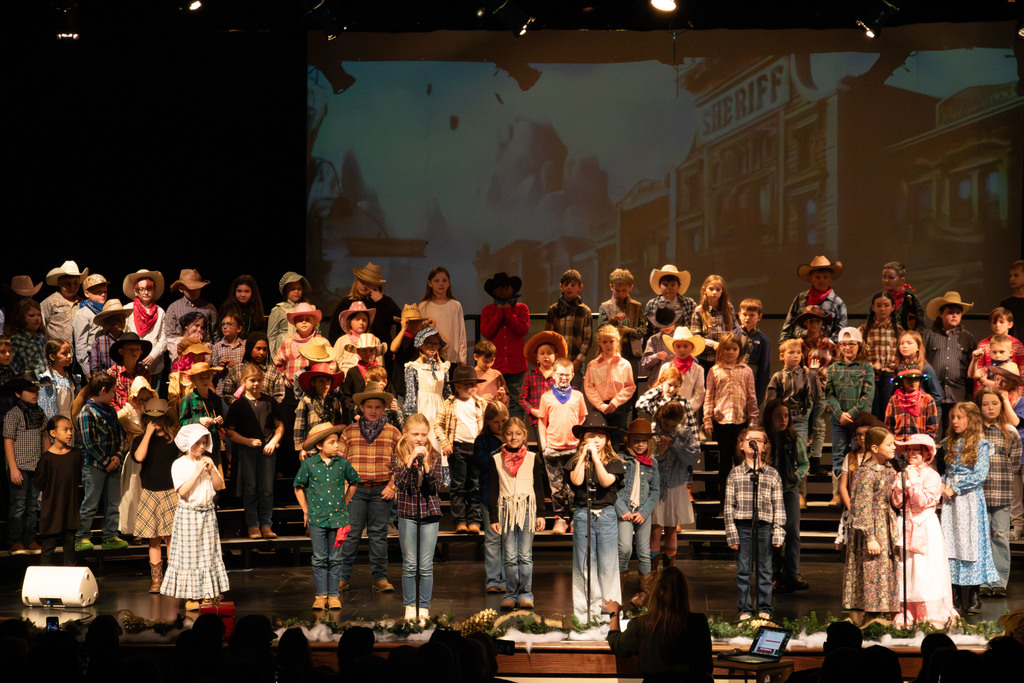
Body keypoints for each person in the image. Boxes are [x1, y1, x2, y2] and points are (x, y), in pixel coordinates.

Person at [337, 381, 401, 594]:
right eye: (369, 407)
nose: (373, 411)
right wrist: (347, 486)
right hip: (356, 490)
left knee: (378, 534)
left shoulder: (393, 432)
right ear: (361, 408)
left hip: (381, 491)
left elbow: (401, 462)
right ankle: (342, 577)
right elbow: (340, 462)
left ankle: (380, 578)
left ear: (383, 409)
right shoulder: (349, 432)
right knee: (351, 534)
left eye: (378, 407)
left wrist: (392, 486)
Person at [890, 434, 958, 628]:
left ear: (926, 453)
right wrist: (904, 483)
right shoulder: (901, 473)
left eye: (916, 450)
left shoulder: (932, 476)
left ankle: (928, 614)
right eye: (909, 450)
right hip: (905, 522)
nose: (911, 453)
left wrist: (913, 482)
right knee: (907, 567)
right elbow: (897, 502)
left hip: (925, 524)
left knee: (925, 569)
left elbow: (921, 502)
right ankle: (906, 611)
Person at [160, 423, 229, 612]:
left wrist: (212, 470)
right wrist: (197, 471)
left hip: (207, 514)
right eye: (198, 443)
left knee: (208, 554)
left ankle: (207, 592)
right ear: (188, 443)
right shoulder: (179, 464)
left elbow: (217, 486)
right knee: (190, 556)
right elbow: (182, 491)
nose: (201, 446)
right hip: (189, 515)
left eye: (204, 442)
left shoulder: (208, 461)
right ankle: (191, 595)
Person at [604, 566, 713, 683]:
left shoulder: (642, 625)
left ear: (655, 592)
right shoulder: (698, 623)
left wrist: (614, 615)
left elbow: (619, 647)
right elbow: (706, 665)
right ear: (684, 591)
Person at [293, 422, 360, 611]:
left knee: (336, 558)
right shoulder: (309, 464)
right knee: (320, 558)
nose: (337, 445)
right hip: (317, 519)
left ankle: (333, 595)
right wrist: (305, 510)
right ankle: (321, 595)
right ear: (320, 446)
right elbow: (298, 486)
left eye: (337, 442)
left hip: (338, 518)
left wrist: (346, 502)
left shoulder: (343, 464)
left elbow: (354, 482)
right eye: (332, 442)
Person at [567, 414, 625, 622]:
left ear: (607, 440)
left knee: (608, 566)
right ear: (583, 439)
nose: (596, 440)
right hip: (584, 515)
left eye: (600, 436)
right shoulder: (576, 461)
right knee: (583, 566)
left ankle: (608, 614)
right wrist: (583, 456)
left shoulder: (615, 462)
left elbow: (606, 481)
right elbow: (577, 480)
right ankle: (584, 615)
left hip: (606, 516)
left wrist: (597, 460)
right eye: (591, 436)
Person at [942, 401, 998, 614]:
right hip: (950, 502)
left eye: (960, 417)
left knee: (970, 543)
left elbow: (979, 474)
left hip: (969, 499)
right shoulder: (947, 443)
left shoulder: (981, 444)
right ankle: (954, 594)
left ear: (971, 419)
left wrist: (955, 488)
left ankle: (973, 594)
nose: (955, 421)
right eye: (953, 418)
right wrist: (940, 483)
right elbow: (946, 471)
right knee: (951, 543)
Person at [725, 427, 785, 620]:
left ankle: (765, 608)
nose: (754, 443)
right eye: (750, 439)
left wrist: (778, 532)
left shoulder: (772, 474)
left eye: (759, 440)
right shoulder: (735, 474)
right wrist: (731, 534)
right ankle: (744, 609)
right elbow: (728, 507)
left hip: (764, 527)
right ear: (742, 445)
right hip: (742, 526)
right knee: (743, 570)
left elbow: (779, 506)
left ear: (765, 447)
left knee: (765, 570)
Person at [842, 426, 899, 625]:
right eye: (889, 444)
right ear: (875, 448)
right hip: (873, 529)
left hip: (887, 525)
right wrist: (870, 537)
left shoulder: (891, 469)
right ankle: (870, 616)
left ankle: (883, 614)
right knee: (872, 568)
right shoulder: (865, 473)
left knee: (884, 569)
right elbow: (861, 506)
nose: (894, 447)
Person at [394, 413, 448, 620]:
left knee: (425, 565)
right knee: (410, 564)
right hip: (408, 513)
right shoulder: (398, 454)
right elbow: (399, 484)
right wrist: (409, 461)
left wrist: (425, 464)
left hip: (429, 513)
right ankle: (410, 607)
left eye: (423, 435)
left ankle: (423, 607)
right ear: (405, 434)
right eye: (415, 434)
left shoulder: (434, 454)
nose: (419, 439)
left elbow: (435, 486)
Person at [226, 363, 284, 540]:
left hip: (267, 451)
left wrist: (273, 442)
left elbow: (280, 425)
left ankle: (266, 524)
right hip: (247, 451)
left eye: (259, 380)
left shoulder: (269, 401)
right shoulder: (238, 405)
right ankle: (253, 525)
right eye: (252, 380)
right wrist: (248, 441)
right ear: (244, 381)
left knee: (267, 489)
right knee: (251, 487)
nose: (256, 384)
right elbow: (230, 432)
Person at [74, 372, 129, 552]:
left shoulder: (111, 411)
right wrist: (107, 461)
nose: (115, 395)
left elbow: (121, 436)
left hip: (113, 464)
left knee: (113, 503)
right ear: (103, 390)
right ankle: (82, 537)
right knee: (90, 503)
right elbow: (89, 443)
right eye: (113, 391)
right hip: (95, 466)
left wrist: (119, 456)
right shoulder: (86, 412)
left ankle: (110, 535)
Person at [130, 398, 180, 592]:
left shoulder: (174, 440)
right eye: (152, 419)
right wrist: (148, 434)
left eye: (159, 418)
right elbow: (139, 457)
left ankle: (173, 577)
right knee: (153, 538)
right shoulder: (140, 440)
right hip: (149, 492)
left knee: (170, 538)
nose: (156, 422)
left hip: (171, 492)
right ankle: (157, 580)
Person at [704, 332, 758, 502]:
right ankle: (725, 499)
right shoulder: (714, 370)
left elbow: (752, 396)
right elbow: (709, 396)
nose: (730, 352)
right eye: (726, 349)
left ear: (739, 351)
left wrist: (753, 420)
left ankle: (742, 498)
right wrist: (707, 420)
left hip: (741, 421)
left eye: (734, 349)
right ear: (721, 350)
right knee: (724, 462)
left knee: (741, 461)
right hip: (721, 422)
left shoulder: (746, 371)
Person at [762, 399, 809, 593]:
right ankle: (773, 573)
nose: (783, 419)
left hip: (788, 489)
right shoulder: (764, 439)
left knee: (792, 530)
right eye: (778, 416)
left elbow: (804, 463)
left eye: (786, 416)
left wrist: (794, 478)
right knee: (772, 532)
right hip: (767, 491)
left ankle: (792, 573)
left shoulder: (793, 437)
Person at [537, 357, 587, 535]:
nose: (564, 378)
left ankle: (575, 518)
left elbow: (582, 419)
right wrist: (544, 444)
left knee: (573, 487)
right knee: (556, 487)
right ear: (553, 375)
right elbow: (542, 421)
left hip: (573, 448)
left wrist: (581, 443)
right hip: (553, 448)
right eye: (560, 374)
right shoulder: (546, 397)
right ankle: (560, 519)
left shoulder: (578, 396)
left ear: (572, 375)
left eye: (567, 375)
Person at [434, 365, 486, 533]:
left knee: (475, 485)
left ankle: (474, 521)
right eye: (466, 385)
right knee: (458, 486)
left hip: (476, 449)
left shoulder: (481, 403)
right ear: (456, 386)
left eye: (473, 384)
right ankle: (460, 521)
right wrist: (445, 443)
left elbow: (490, 423)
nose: (471, 388)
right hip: (458, 449)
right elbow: (438, 425)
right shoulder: (449, 404)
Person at [614, 418, 661, 609]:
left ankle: (645, 594)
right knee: (624, 548)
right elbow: (614, 487)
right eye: (636, 440)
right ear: (629, 441)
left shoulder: (652, 463)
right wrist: (622, 509)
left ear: (649, 442)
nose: (639, 444)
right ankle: (617, 589)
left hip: (642, 512)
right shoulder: (620, 458)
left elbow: (655, 490)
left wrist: (644, 511)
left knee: (644, 551)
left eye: (643, 441)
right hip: (625, 510)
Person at [649, 400, 701, 569]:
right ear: (660, 418)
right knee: (655, 529)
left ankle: (669, 571)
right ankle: (652, 574)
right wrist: (660, 452)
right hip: (657, 485)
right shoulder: (652, 431)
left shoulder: (685, 433)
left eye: (674, 425)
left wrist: (676, 445)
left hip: (676, 485)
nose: (670, 428)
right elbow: (645, 459)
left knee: (672, 528)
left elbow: (693, 458)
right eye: (666, 424)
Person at [826, 327, 875, 497]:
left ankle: (859, 491)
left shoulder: (866, 368)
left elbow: (867, 396)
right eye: (844, 344)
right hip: (838, 420)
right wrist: (839, 413)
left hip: (859, 421)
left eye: (852, 344)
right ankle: (837, 494)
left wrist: (851, 415)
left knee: (859, 453)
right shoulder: (833, 368)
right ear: (839, 346)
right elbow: (829, 394)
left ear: (859, 346)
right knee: (838, 454)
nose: (848, 348)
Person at [3, 373, 47, 554]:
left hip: (35, 465)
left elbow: (45, 437)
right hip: (19, 466)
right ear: (19, 394)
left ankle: (30, 539)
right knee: (19, 504)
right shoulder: (13, 414)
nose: (35, 393)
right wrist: (13, 467)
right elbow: (8, 441)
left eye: (36, 390)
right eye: (30, 390)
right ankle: (15, 541)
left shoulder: (40, 413)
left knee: (32, 505)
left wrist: (45, 463)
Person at [922, 291, 977, 435]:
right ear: (941, 314)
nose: (954, 315)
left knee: (955, 434)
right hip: (933, 392)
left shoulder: (967, 338)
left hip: (958, 393)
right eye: (950, 312)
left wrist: (970, 394)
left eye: (958, 313)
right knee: (933, 432)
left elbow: (971, 367)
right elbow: (921, 360)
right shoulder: (929, 335)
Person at [480, 272, 529, 419]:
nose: (501, 290)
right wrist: (498, 314)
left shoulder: (521, 308)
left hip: (516, 366)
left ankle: (516, 434)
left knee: (516, 401)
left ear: (512, 289)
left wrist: (507, 311)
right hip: (496, 366)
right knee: (495, 401)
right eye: (498, 288)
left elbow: (522, 330)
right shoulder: (488, 310)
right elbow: (487, 333)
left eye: (505, 287)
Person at [35, 415, 82, 565]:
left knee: (70, 546)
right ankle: (45, 581)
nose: (69, 433)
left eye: (71, 430)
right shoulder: (47, 459)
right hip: (52, 509)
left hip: (70, 507)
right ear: (53, 433)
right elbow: (39, 483)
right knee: (48, 546)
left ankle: (71, 580)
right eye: (65, 430)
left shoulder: (75, 455)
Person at [326, 262, 402, 353]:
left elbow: (400, 320)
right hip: (351, 355)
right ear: (357, 280)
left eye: (369, 283)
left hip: (379, 353)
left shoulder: (384, 302)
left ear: (376, 285)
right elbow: (334, 331)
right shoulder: (346, 303)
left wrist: (382, 301)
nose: (364, 285)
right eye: (362, 281)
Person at [475, 400, 508, 594]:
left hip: (510, 495)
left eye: (504, 420)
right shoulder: (483, 441)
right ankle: (493, 580)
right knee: (493, 539)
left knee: (509, 539)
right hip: (489, 494)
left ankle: (508, 579)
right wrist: (498, 451)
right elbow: (481, 463)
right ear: (488, 422)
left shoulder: (513, 437)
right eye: (496, 422)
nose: (501, 425)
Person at [584, 324, 636, 442]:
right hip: (600, 407)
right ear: (600, 343)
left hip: (620, 407)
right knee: (600, 438)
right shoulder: (593, 365)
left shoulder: (625, 364)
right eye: (604, 342)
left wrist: (616, 401)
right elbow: (589, 387)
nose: (608, 345)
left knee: (616, 440)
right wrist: (601, 405)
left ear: (617, 341)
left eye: (611, 341)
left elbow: (630, 386)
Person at [779, 255, 848, 343]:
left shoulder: (837, 303)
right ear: (811, 278)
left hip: (825, 351)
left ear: (830, 278)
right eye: (818, 277)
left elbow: (841, 332)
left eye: (825, 277)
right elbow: (789, 324)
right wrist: (784, 344)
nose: (822, 281)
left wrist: (827, 343)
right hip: (800, 348)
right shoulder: (800, 298)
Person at [402, 327, 451, 451]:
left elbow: (447, 393)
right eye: (429, 343)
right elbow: (410, 395)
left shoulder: (443, 367)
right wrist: (411, 418)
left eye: (436, 344)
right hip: (422, 407)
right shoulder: (414, 367)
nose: (433, 347)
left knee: (438, 440)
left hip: (440, 408)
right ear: (421, 345)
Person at [595, 268, 647, 383]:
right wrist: (613, 320)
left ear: (630, 288)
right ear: (611, 287)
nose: (621, 294)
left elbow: (643, 330)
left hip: (631, 353)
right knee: (610, 385)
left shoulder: (636, 307)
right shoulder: (605, 306)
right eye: (617, 290)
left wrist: (630, 331)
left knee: (631, 385)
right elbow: (600, 330)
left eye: (624, 290)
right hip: (609, 353)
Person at [860, 291, 904, 419]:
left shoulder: (899, 330)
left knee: (888, 412)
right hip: (870, 376)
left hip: (889, 376)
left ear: (892, 307)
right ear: (873, 307)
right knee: (873, 413)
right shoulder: (864, 330)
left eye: (886, 305)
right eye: (878, 305)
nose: (882, 309)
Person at [545, 269, 593, 384]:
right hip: (556, 363)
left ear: (580, 287)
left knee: (574, 394)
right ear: (561, 286)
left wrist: (577, 361)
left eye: (573, 285)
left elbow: (587, 339)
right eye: (566, 284)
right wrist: (552, 360)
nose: (569, 288)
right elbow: (548, 337)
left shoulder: (584, 311)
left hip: (576, 364)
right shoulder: (553, 310)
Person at [122, 269, 168, 381]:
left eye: (149, 288)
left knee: (153, 396)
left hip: (154, 365)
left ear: (154, 289)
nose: (146, 292)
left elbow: (164, 338)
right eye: (141, 289)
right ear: (135, 292)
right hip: (131, 363)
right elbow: (123, 334)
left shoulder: (160, 312)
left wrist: (153, 355)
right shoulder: (127, 309)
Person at [518, 330, 565, 439]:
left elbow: (565, 395)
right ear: (537, 357)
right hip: (538, 419)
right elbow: (522, 399)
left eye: (549, 353)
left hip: (556, 418)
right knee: (543, 448)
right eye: (542, 353)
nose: (546, 356)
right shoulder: (531, 375)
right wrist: (533, 411)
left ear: (555, 355)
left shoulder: (560, 374)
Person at [689, 274, 738, 375]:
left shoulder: (728, 307)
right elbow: (695, 337)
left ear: (722, 291)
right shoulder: (699, 311)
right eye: (711, 289)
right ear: (704, 290)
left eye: (718, 289)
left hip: (726, 357)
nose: (714, 292)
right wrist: (713, 344)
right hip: (706, 359)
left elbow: (735, 328)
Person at [294, 362, 343, 461]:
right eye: (321, 381)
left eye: (328, 380)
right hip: (311, 450)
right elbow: (299, 427)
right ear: (313, 383)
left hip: (330, 449)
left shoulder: (335, 402)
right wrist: (301, 449)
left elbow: (338, 425)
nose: (326, 384)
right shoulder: (306, 401)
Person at [418, 266, 467, 366]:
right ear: (430, 283)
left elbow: (461, 334)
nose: (441, 284)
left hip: (452, 358)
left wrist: (462, 359)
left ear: (449, 283)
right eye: (436, 281)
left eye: (444, 280)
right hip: (430, 357)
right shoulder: (423, 306)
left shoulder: (455, 305)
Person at [221, 332, 286, 405]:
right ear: (250, 348)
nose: (262, 352)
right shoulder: (237, 370)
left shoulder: (273, 372)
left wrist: (266, 407)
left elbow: (279, 395)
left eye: (264, 349)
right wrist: (239, 405)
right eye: (258, 349)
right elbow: (227, 394)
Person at [164, 269, 218, 355]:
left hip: (205, 356)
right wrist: (188, 342)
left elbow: (215, 336)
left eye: (197, 288)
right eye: (190, 288)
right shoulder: (173, 308)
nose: (194, 291)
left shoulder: (209, 308)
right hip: (180, 357)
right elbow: (169, 337)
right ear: (181, 288)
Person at [643, 265, 697, 350]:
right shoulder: (652, 304)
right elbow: (648, 331)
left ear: (678, 286)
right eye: (665, 284)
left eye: (673, 284)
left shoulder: (688, 303)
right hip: (659, 348)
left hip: (683, 348)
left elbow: (693, 329)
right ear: (659, 286)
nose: (669, 288)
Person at [339, 333, 386, 422]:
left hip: (378, 415)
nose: (368, 354)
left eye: (371, 350)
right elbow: (347, 397)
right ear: (358, 352)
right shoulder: (353, 372)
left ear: (376, 351)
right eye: (364, 351)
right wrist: (354, 414)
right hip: (359, 416)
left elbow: (387, 392)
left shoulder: (380, 371)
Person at [40, 260, 87, 347]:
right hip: (56, 354)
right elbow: (41, 327)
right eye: (67, 283)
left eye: (75, 283)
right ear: (60, 283)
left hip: (79, 355)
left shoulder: (83, 303)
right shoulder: (49, 302)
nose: (72, 287)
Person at [734, 298, 771, 407]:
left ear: (759, 317)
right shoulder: (732, 336)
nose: (747, 318)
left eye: (752, 315)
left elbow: (764, 369)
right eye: (744, 314)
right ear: (739, 315)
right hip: (733, 377)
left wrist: (759, 396)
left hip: (753, 380)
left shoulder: (764, 340)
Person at [884, 366, 938, 440]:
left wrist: (925, 442)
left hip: (920, 444)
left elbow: (932, 427)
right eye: (909, 379)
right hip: (899, 444)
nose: (913, 382)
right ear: (902, 381)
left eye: (916, 379)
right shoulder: (894, 400)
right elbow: (889, 426)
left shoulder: (927, 399)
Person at [660, 327, 706, 411]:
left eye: (685, 346)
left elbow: (699, 393)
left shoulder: (698, 370)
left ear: (692, 347)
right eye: (678, 346)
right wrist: (667, 406)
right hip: (668, 411)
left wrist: (686, 408)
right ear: (673, 348)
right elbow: (660, 389)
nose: (682, 349)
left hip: (688, 411)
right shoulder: (666, 367)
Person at [71, 273, 109, 377]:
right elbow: (80, 343)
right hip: (90, 360)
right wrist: (87, 370)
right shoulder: (83, 313)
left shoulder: (106, 310)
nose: (103, 294)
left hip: (105, 358)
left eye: (105, 291)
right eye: (98, 292)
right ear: (87, 293)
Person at [267, 271, 311, 358]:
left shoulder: (308, 308)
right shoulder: (278, 310)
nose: (296, 291)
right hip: (283, 351)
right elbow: (271, 336)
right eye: (293, 289)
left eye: (299, 289)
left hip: (304, 350)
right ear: (285, 290)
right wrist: (274, 357)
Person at [106, 332, 152, 411]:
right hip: (119, 417)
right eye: (130, 349)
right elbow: (110, 400)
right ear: (121, 352)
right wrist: (122, 415)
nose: (134, 352)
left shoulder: (144, 373)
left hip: (139, 415)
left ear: (141, 352)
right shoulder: (112, 373)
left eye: (137, 349)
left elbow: (147, 398)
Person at [38, 339, 80, 420]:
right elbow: (48, 409)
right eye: (64, 353)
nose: (69, 356)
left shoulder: (72, 377)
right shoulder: (49, 379)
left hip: (71, 421)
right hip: (58, 422)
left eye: (69, 352)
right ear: (52, 357)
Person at [89, 299, 131, 376]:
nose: (122, 322)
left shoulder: (128, 340)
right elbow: (95, 368)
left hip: (126, 381)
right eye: (117, 319)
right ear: (108, 321)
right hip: (107, 381)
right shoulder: (99, 341)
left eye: (123, 319)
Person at [881, 261, 925, 331]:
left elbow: (920, 323)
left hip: (906, 339)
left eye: (891, 277)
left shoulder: (910, 299)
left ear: (902, 280)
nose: (886, 280)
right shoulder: (880, 298)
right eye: (884, 277)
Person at [8, 299, 48, 377]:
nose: (36, 318)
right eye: (31, 315)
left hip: (44, 380)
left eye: (38, 315)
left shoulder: (41, 337)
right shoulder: (16, 340)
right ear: (21, 318)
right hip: (27, 382)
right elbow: (13, 366)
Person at [218, 274, 266, 338]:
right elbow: (221, 331)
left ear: (252, 292)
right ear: (234, 292)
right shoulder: (226, 308)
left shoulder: (256, 308)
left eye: (247, 291)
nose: (243, 295)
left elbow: (260, 333)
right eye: (239, 291)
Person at [211, 313, 245, 397]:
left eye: (229, 324)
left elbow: (251, 367)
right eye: (223, 324)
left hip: (242, 389)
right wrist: (221, 367)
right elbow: (213, 373)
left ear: (239, 328)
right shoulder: (216, 347)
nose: (225, 327)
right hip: (223, 391)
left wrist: (238, 365)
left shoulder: (245, 345)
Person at [472, 340, 508, 405]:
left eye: (492, 361)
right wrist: (479, 399)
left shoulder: (497, 374)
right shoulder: (470, 375)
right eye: (485, 361)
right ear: (476, 357)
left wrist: (501, 397)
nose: (489, 364)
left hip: (494, 410)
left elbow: (506, 397)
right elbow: (464, 396)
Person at [999, 260, 1024, 340]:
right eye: (1011, 276)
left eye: (1016, 275)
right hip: (1011, 347)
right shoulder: (1006, 304)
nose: (1012, 279)